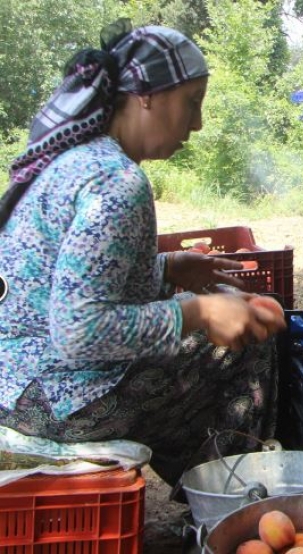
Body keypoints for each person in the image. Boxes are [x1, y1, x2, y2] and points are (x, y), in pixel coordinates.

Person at [0, 20, 286, 488]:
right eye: (192, 104)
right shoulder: (118, 181)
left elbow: (78, 276)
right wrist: (197, 311)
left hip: (16, 382)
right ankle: (227, 496)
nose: (197, 123)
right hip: (56, 400)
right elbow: (79, 329)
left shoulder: (78, 158)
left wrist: (170, 268)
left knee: (211, 325)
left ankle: (203, 478)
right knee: (247, 345)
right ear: (147, 95)